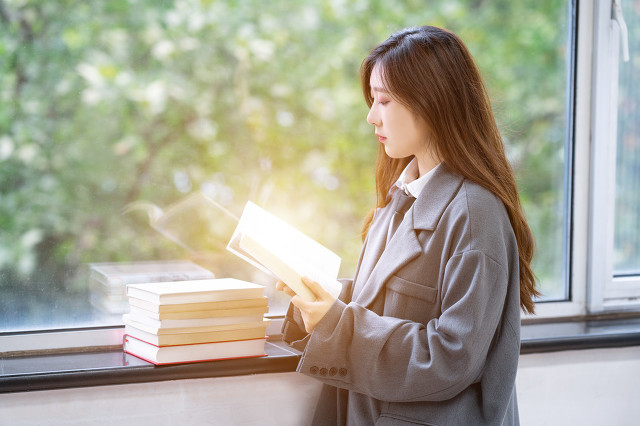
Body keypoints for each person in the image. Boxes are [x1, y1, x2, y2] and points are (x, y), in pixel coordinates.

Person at [276, 25, 539, 426]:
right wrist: (322, 297)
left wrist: (336, 323)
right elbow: (389, 304)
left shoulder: (475, 214)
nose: (371, 116)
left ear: (431, 103)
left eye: (384, 100)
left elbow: (451, 357)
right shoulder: (400, 197)